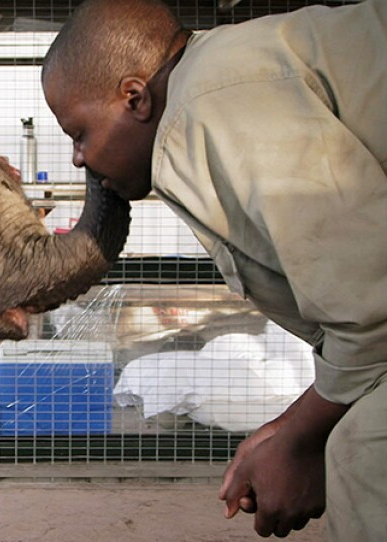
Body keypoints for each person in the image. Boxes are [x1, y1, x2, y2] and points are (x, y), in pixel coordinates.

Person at [41, 0, 387, 539]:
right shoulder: (218, 81)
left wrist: (300, 440)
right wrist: (287, 429)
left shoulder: (208, 106)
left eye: (78, 133)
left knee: (365, 450)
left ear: (134, 98)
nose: (78, 160)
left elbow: (374, 307)